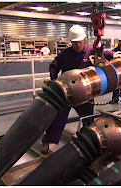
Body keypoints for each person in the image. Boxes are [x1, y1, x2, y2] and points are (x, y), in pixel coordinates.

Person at [41, 25, 115, 154]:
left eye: (80, 42)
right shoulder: (65, 54)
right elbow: (53, 66)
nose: (78, 45)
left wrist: (116, 54)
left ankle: (90, 143)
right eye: (75, 43)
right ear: (71, 42)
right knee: (58, 117)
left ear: (84, 40)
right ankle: (47, 142)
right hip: (67, 93)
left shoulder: (90, 50)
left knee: (88, 119)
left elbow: (105, 53)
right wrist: (54, 81)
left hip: (86, 93)